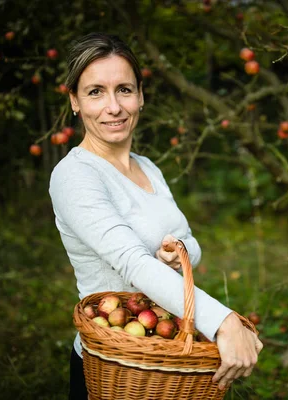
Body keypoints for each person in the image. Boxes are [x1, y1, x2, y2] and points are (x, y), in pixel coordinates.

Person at [48, 32, 263, 400]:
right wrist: (223, 322)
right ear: (75, 101)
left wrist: (173, 252)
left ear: (141, 97)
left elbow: (190, 248)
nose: (113, 107)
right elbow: (133, 263)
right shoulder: (75, 175)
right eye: (96, 92)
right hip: (113, 365)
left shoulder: (149, 168)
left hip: (167, 356)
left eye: (125, 90)